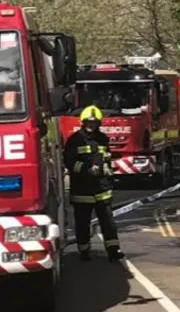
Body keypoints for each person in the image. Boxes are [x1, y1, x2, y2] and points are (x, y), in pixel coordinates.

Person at [64, 105, 125, 262]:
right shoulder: (74, 140)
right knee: (82, 223)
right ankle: (84, 250)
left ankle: (113, 250)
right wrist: (87, 169)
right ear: (83, 122)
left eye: (95, 122)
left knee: (108, 222)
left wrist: (107, 171)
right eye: (89, 122)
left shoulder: (103, 139)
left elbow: (106, 158)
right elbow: (69, 162)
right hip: (82, 189)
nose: (92, 125)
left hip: (102, 188)